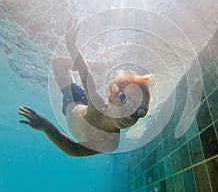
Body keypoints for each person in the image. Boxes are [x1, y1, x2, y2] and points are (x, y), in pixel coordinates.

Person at [18, 18, 153, 157]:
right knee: (58, 64)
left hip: (75, 110)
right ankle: (97, 66)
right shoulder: (97, 104)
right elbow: (84, 72)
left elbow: (75, 150)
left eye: (140, 112)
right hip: (74, 99)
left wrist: (46, 127)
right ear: (112, 95)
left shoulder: (110, 143)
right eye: (127, 103)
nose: (131, 116)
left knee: (60, 66)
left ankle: (98, 68)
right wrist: (70, 43)